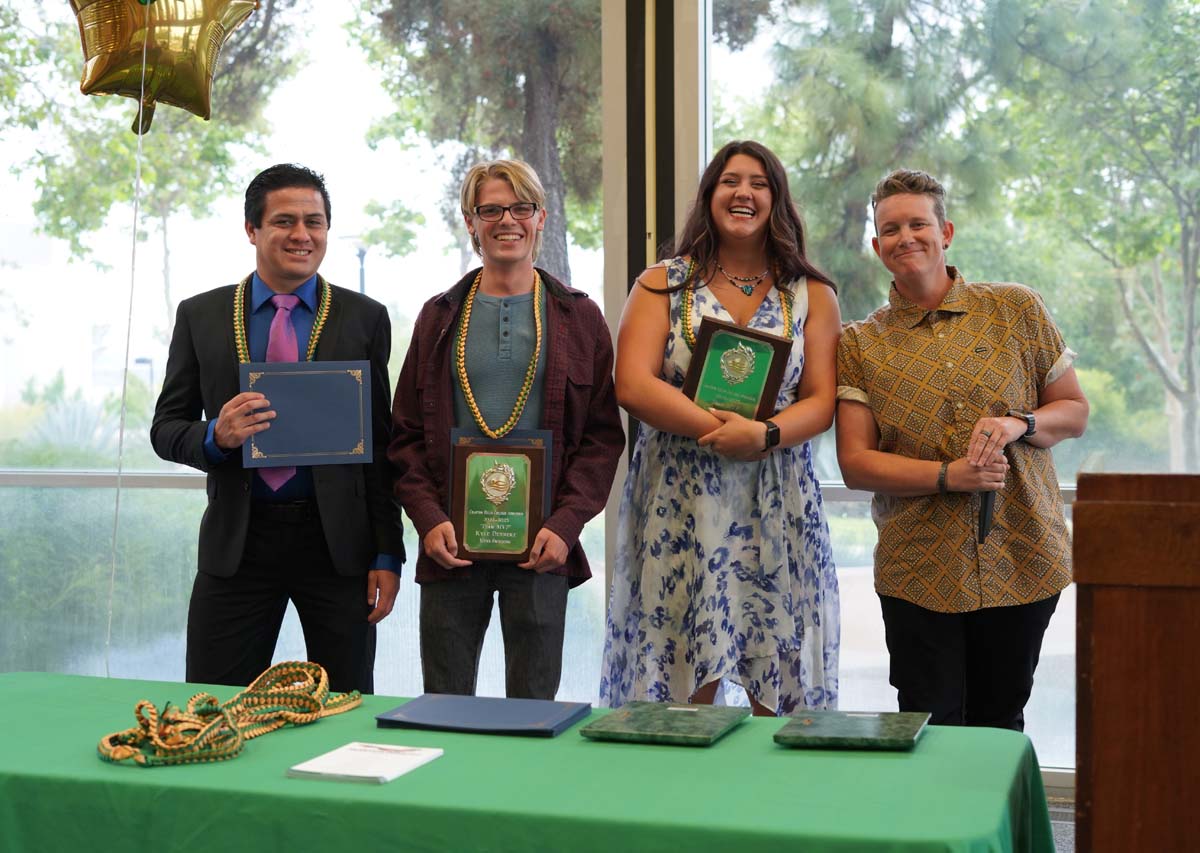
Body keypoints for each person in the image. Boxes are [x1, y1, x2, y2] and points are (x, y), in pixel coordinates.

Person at [836, 168, 1089, 731]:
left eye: (918, 223)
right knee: (930, 727)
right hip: (917, 572)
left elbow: (1073, 411)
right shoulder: (858, 343)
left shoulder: (1017, 309)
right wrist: (949, 475)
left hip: (1022, 556)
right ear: (878, 248)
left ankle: (1001, 823)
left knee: (1001, 721)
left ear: (945, 231)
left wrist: (1019, 423)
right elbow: (856, 464)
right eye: (891, 228)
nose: (907, 237)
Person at [600, 140, 842, 716]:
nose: (744, 193)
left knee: (776, 670)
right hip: (680, 498)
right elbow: (632, 384)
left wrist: (763, 436)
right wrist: (721, 430)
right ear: (709, 197)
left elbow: (823, 399)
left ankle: (772, 802)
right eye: (730, 181)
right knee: (681, 670)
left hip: (777, 497)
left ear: (777, 201)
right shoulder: (662, 282)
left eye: (759, 183)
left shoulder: (812, 293)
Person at [151, 163, 403, 694]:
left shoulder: (364, 317)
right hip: (238, 545)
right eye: (284, 221)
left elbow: (382, 446)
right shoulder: (202, 315)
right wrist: (214, 436)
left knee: (344, 706)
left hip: (339, 549)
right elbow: (165, 427)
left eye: (315, 222)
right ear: (252, 230)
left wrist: (387, 553)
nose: (301, 235)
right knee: (213, 703)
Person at [388, 158, 623, 700]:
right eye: (490, 209)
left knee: (533, 710)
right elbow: (403, 435)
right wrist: (428, 519)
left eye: (520, 207)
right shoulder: (437, 316)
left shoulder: (580, 317)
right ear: (471, 223)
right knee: (444, 706)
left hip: (542, 546)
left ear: (541, 217)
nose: (506, 220)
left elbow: (602, 439)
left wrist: (565, 525)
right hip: (451, 543)